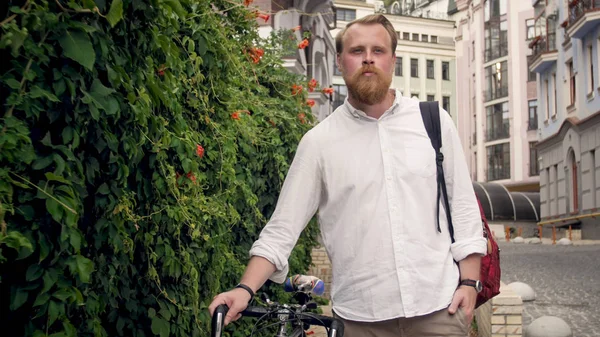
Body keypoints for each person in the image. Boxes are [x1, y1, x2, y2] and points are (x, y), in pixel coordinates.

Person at [209, 14, 487, 337]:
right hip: (358, 322)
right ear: (340, 61)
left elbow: (464, 209)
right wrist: (245, 288)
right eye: (357, 51)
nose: (368, 58)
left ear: (393, 60)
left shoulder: (433, 122)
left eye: (378, 51)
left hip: (438, 312)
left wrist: (469, 283)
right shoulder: (319, 142)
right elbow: (281, 229)